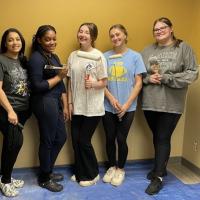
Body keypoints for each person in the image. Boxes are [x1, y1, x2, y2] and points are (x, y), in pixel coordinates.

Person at [141, 17, 198, 195]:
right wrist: (147, 79)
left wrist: (168, 78)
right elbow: (138, 76)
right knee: (157, 136)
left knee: (163, 137)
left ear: (171, 29)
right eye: (155, 29)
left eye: (162, 28)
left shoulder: (183, 48)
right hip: (150, 102)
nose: (159, 31)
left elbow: (192, 73)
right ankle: (161, 167)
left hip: (172, 104)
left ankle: (158, 177)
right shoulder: (147, 50)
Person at [102, 24, 146, 186]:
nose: (115, 38)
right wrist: (111, 99)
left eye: (118, 34)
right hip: (108, 106)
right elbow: (102, 82)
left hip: (128, 107)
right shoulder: (104, 56)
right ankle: (112, 167)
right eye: (112, 35)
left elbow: (138, 83)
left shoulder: (136, 57)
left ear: (125, 35)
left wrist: (126, 105)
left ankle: (120, 169)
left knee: (121, 139)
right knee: (109, 138)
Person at [28, 25, 68, 192]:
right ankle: (44, 178)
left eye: (54, 38)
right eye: (47, 39)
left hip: (55, 101)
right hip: (44, 102)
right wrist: (59, 76)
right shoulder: (36, 58)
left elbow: (61, 84)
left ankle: (47, 170)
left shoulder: (53, 56)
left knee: (61, 137)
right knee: (48, 140)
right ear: (39, 40)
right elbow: (37, 86)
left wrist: (65, 105)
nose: (52, 42)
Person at [67, 22, 107, 187]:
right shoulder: (73, 55)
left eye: (86, 32)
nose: (82, 34)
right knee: (75, 141)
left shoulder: (98, 56)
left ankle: (93, 174)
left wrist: (94, 84)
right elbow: (69, 81)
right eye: (80, 31)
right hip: (77, 106)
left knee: (84, 141)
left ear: (93, 37)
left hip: (93, 108)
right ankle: (80, 172)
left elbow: (104, 82)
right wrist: (69, 102)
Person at [0, 28, 31, 197]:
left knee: (10, 144)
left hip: (23, 110)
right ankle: (5, 182)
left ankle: (7, 177)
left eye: (17, 39)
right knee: (15, 143)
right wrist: (10, 111)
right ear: (5, 43)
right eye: (10, 40)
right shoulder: (1, 60)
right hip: (8, 110)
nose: (15, 42)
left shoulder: (22, 60)